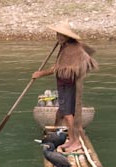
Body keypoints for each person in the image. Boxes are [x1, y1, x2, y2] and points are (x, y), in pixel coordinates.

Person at [32, 21, 98, 152]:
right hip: (63, 85)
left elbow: (58, 68)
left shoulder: (71, 49)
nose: (59, 37)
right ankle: (72, 140)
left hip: (68, 85)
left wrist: (40, 74)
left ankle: (76, 141)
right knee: (66, 113)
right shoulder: (65, 46)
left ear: (68, 36)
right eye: (58, 34)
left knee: (68, 114)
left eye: (62, 35)